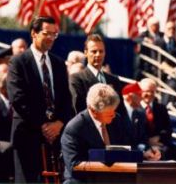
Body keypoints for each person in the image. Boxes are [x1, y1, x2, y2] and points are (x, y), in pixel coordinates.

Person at [7, 16, 73, 183]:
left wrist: (58, 124)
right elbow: (18, 99)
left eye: (54, 34)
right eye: (46, 33)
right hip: (27, 135)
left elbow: (66, 98)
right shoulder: (18, 62)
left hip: (56, 138)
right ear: (34, 34)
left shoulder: (58, 63)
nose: (51, 38)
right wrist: (44, 125)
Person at [61, 83, 127, 184]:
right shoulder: (75, 128)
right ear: (93, 110)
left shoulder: (116, 120)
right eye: (109, 112)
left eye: (114, 110)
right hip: (83, 180)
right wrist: (104, 167)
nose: (113, 115)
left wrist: (144, 154)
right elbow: (74, 166)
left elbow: (126, 145)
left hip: (111, 177)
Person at [139, 78, 176, 161]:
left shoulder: (161, 108)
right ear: (140, 91)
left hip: (160, 143)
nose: (149, 94)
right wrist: (148, 141)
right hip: (142, 145)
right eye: (146, 91)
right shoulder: (135, 108)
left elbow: (168, 129)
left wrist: (158, 137)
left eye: (152, 91)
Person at [69, 34, 124, 114]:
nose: (98, 54)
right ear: (86, 53)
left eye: (101, 51)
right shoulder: (77, 79)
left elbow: (121, 111)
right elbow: (78, 110)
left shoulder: (114, 80)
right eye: (94, 51)